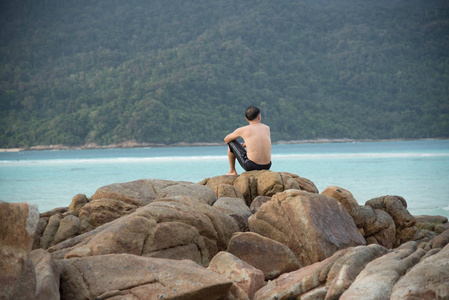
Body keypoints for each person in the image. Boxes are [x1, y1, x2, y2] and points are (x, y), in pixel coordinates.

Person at [224, 106, 272, 175]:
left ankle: (232, 170)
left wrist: (240, 146)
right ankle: (232, 170)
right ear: (259, 117)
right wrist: (246, 144)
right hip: (267, 165)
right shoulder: (267, 128)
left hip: (252, 166)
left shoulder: (243, 129)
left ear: (246, 119)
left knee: (231, 142)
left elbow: (226, 139)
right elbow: (261, 142)